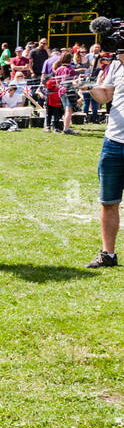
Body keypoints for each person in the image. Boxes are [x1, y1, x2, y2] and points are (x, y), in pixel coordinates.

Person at [88, 49, 124, 267]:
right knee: (108, 201)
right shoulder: (117, 67)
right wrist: (89, 87)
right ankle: (108, 254)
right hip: (113, 142)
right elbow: (105, 96)